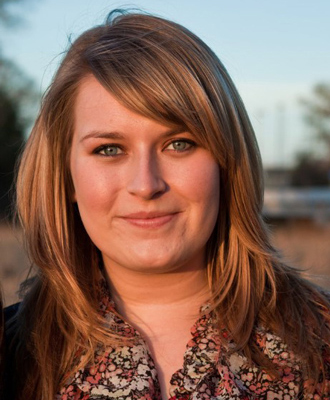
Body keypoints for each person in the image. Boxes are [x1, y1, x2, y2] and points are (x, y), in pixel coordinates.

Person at [4, 9, 330, 400]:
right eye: (109, 149)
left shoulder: (320, 348)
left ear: (226, 161)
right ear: (65, 175)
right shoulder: (14, 360)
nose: (146, 184)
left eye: (179, 144)